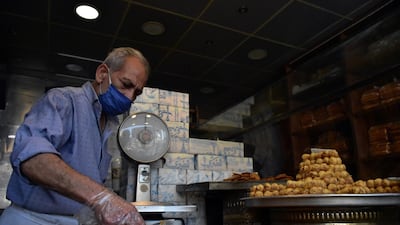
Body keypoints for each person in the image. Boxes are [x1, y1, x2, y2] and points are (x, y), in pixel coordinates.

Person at [0, 47, 149, 225]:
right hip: (33, 219)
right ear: (102, 74)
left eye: (137, 93)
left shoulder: (110, 123)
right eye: (126, 85)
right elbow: (33, 160)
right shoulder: (63, 100)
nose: (130, 97)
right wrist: (102, 197)